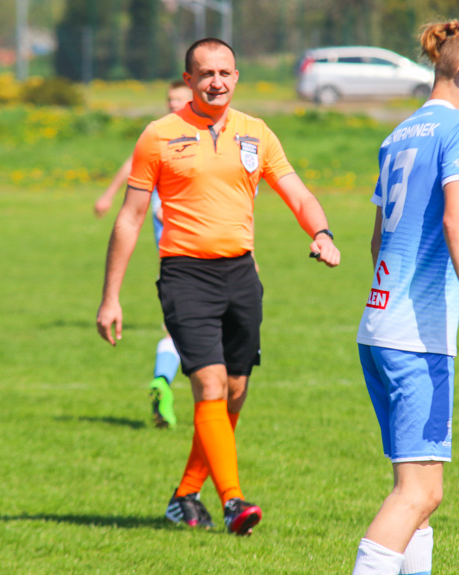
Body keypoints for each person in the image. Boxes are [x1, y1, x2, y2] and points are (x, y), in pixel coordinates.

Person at [95, 37, 340, 536]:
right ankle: (233, 502)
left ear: (236, 77)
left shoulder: (257, 133)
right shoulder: (159, 136)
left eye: (225, 73)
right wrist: (110, 296)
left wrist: (321, 232)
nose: (216, 82)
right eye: (206, 73)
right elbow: (130, 219)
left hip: (242, 275)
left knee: (234, 390)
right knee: (207, 384)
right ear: (188, 80)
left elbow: (297, 192)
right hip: (186, 275)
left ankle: (186, 494)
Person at [353, 19, 459, 575]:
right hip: (415, 338)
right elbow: (456, 222)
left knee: (420, 494)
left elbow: (377, 240)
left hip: (377, 329)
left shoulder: (398, 134)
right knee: (416, 495)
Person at [94, 80, 192, 429]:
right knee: (195, 332)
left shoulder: (184, 136)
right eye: (169, 98)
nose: (172, 103)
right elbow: (132, 167)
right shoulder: (164, 135)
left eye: (178, 98)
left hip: (180, 256)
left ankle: (163, 379)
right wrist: (109, 195)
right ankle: (169, 383)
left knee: (178, 327)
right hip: (189, 255)